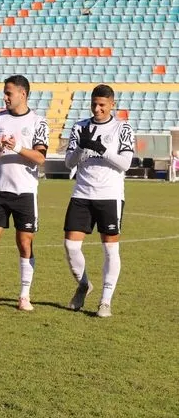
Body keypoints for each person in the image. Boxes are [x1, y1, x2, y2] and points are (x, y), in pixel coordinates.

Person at [0, 75, 49, 311]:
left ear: (22, 94)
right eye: (4, 92)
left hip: (25, 192)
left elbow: (40, 158)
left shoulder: (38, 121)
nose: (5, 97)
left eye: (9, 93)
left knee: (24, 243)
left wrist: (17, 147)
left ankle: (24, 295)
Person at [62, 84, 133, 318]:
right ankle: (84, 285)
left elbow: (125, 164)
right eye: (94, 104)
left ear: (112, 104)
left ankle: (105, 300)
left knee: (110, 248)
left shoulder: (122, 128)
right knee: (71, 245)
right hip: (82, 193)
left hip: (110, 195)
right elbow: (69, 163)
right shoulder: (80, 127)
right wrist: (82, 147)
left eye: (102, 105)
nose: (97, 109)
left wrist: (102, 149)